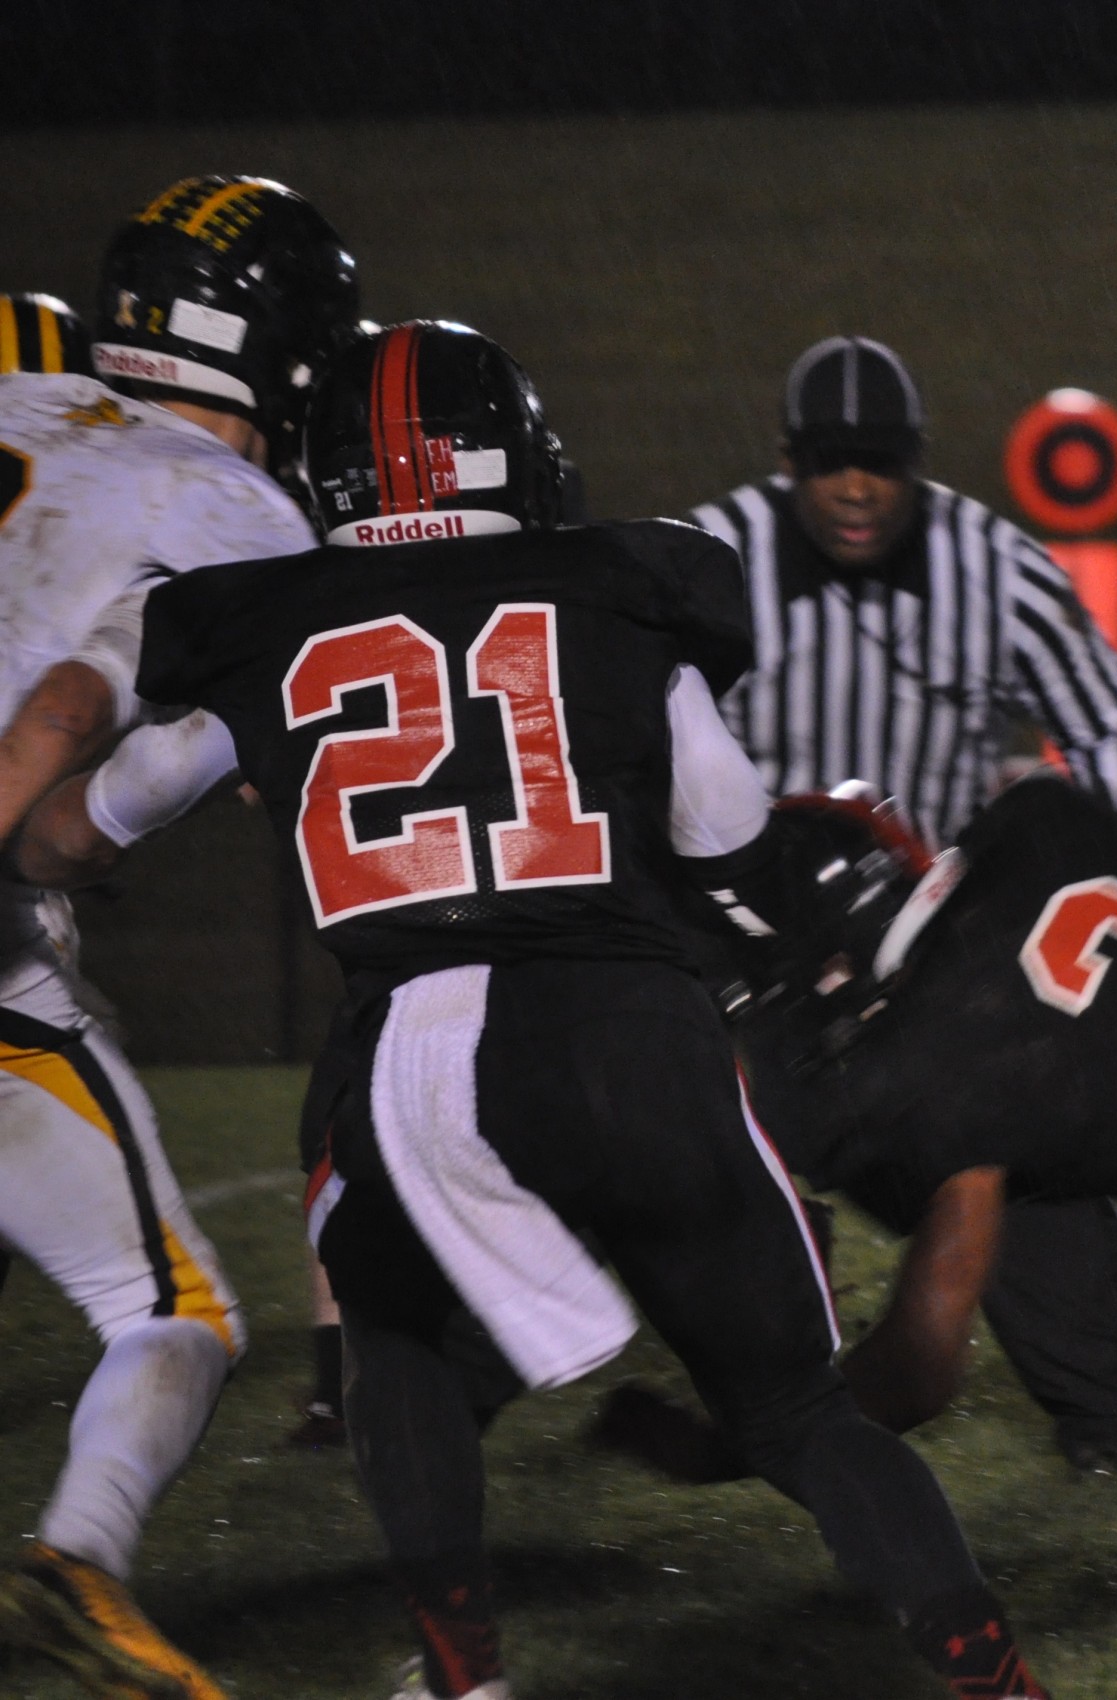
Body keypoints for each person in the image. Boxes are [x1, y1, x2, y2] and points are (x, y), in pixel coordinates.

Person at [14, 321, 1050, 1700]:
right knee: (799, 1408)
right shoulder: (620, 589)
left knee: (395, 1353)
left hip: (405, 1061)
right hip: (624, 1031)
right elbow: (725, 831)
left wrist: (53, 853)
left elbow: (84, 829)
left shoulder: (266, 620)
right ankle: (993, 1677)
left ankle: (464, 1674)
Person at [585, 775, 1117, 1470]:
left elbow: (920, 1363)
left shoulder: (946, 1062)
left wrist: (727, 1451)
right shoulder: (1038, 820)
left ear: (836, 966)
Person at [689, 333, 1117, 1470]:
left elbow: (1102, 714)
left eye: (879, 462)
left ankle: (1112, 1418)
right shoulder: (712, 556)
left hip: (927, 959)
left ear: (916, 461)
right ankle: (423, 1386)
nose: (855, 487)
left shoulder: (991, 563)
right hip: (748, 953)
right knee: (620, 1139)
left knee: (1024, 1160)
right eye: (829, 462)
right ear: (785, 459)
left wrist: (1110, 892)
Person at [0, 178, 357, 1700]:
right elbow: (76, 702)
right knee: (176, 1312)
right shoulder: (235, 513)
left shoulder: (27, 385)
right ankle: (79, 1557)